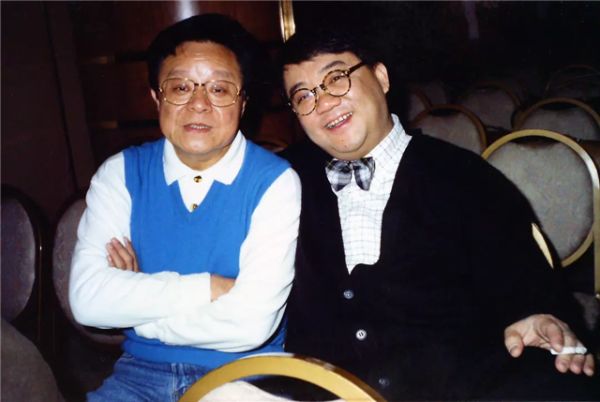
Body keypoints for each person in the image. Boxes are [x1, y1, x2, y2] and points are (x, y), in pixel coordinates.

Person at [276, 27, 599, 400]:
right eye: (303, 96)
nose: (324, 103)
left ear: (381, 77)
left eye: (336, 78)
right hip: (320, 391)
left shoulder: (465, 178)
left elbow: (529, 288)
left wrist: (539, 318)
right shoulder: (282, 181)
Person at [69, 14, 301, 401]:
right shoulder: (121, 173)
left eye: (219, 89)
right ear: (156, 97)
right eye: (180, 87)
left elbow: (250, 324)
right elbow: (88, 301)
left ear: (244, 102)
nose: (198, 104)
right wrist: (209, 287)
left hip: (245, 377)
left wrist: (139, 312)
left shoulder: (274, 181)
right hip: (138, 376)